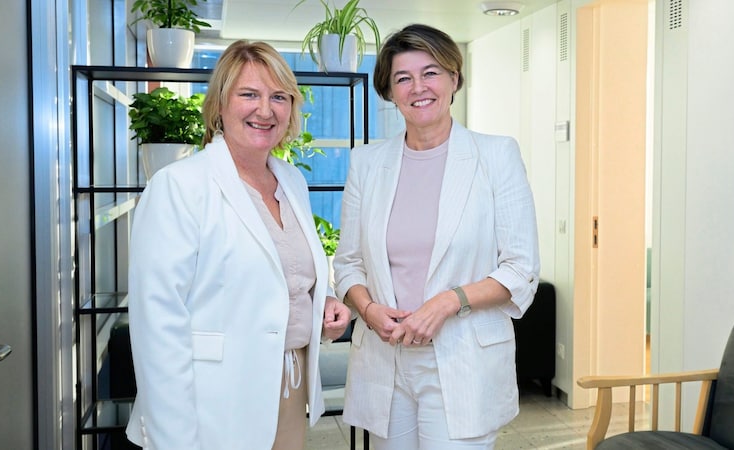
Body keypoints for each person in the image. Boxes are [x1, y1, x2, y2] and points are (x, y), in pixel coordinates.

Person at [125, 40, 351, 450]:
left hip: (288, 387)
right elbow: (157, 324)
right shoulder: (179, 186)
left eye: (278, 97)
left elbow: (289, 272)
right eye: (249, 94)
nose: (265, 110)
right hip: (211, 403)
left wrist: (327, 300)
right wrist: (174, 438)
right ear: (219, 107)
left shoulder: (291, 181)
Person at [332, 24, 540, 450]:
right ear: (389, 91)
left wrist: (447, 302)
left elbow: (521, 269)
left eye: (431, 72)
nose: (418, 87)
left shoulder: (496, 155)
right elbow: (347, 262)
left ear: (454, 79)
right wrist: (368, 309)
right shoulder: (367, 164)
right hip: (386, 361)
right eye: (402, 78)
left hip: (463, 359)